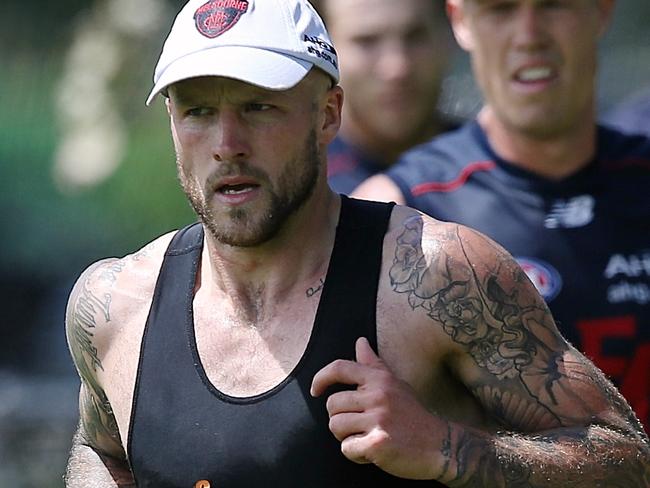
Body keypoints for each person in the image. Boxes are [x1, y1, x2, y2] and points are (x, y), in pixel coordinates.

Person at [63, 0, 650, 486]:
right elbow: (101, 451)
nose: (227, 142)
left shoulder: (434, 276)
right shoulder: (115, 307)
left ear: (328, 114)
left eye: (258, 107)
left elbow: (626, 460)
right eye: (197, 112)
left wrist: (448, 448)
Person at [353, 0, 650, 433]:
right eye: (500, 9)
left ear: (602, 10)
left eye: (554, 6)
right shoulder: (397, 212)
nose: (529, 35)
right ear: (460, 21)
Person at [310, 0, 458, 195]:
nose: (396, 68)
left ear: (451, 34)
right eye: (367, 41)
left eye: (415, 37)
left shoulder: (497, 167)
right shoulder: (296, 187)